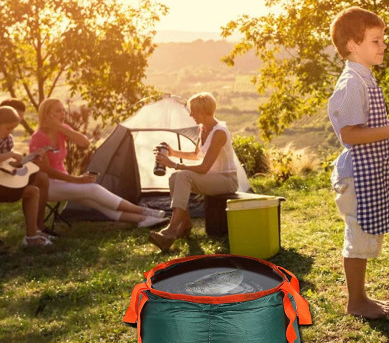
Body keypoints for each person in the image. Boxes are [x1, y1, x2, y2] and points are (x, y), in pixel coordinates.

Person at [328, 6, 389, 319]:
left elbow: (369, 124)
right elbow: (350, 134)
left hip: (366, 174)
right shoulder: (352, 83)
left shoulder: (364, 78)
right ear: (353, 46)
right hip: (356, 174)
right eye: (376, 40)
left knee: (364, 234)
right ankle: (356, 301)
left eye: (383, 39)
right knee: (357, 237)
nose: (384, 45)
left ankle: (361, 297)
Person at [29, 98, 166, 228]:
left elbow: (84, 142)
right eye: (58, 111)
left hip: (64, 182)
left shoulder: (61, 130)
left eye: (63, 110)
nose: (63, 114)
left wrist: (60, 127)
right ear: (47, 114)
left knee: (96, 201)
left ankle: (144, 220)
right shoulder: (39, 138)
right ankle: (144, 211)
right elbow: (45, 170)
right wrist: (76, 180)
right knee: (92, 189)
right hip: (47, 187)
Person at [148, 92, 239, 252]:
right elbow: (197, 155)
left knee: (182, 175)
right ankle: (185, 224)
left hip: (226, 180)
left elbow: (203, 167)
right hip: (211, 178)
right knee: (174, 178)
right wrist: (173, 152)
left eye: (193, 111)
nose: (191, 115)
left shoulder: (219, 132)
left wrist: (174, 164)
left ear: (202, 112)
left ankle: (170, 231)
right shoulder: (203, 128)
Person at [1, 98, 53, 237]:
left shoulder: (7, 138)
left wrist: (29, 160)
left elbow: (7, 164)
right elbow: (6, 157)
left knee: (34, 189)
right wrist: (10, 154)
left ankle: (33, 234)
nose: (10, 131)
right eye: (8, 128)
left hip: (4, 181)